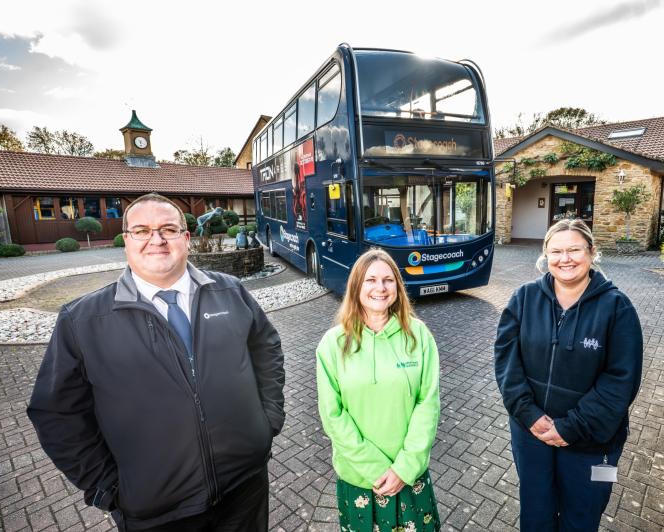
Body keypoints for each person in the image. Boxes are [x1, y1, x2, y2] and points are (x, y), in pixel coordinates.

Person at [27, 192, 285, 531]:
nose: (157, 239)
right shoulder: (83, 320)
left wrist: (267, 422)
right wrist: (108, 487)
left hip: (245, 489)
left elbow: (266, 348)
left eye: (168, 229)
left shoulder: (230, 291)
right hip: (157, 512)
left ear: (186, 238)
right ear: (127, 241)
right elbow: (56, 413)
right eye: (143, 230)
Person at [494, 219, 643, 531]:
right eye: (556, 251)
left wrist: (571, 426)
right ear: (545, 256)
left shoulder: (618, 307)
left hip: (596, 442)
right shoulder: (523, 298)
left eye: (574, 249)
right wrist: (529, 414)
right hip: (531, 434)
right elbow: (507, 362)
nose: (565, 259)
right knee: (536, 511)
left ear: (591, 252)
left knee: (584, 515)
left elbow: (621, 381)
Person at [316, 249, 441, 531]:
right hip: (359, 480)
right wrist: (376, 469)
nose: (380, 288)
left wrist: (404, 468)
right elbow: (332, 415)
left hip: (409, 478)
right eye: (370, 280)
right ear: (356, 286)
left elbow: (428, 403)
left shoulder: (418, 335)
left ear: (398, 286)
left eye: (388, 280)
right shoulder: (332, 344)